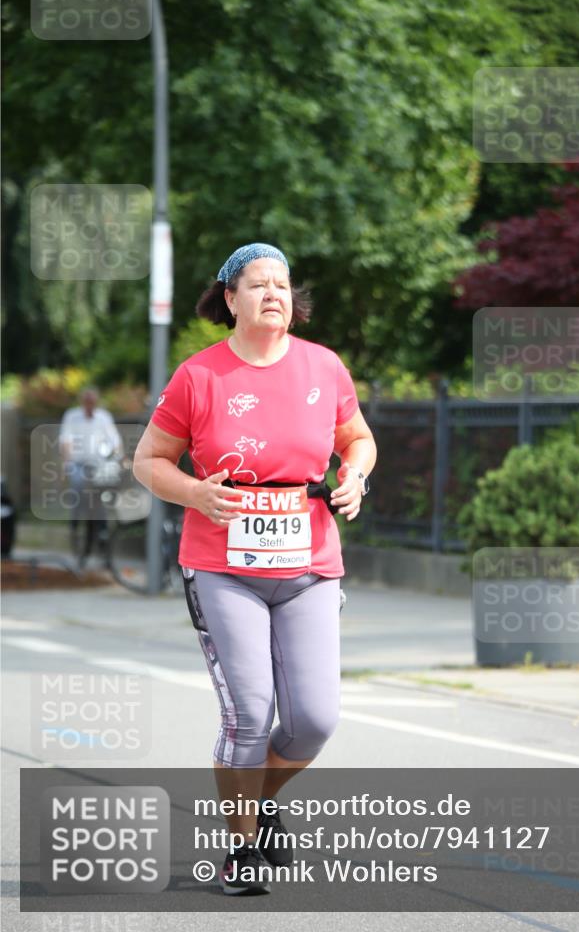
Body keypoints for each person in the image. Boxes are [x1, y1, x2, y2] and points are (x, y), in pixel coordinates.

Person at [133, 242, 376, 895]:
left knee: (314, 721)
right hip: (221, 565)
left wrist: (353, 474)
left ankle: (260, 799)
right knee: (248, 712)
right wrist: (195, 492)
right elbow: (149, 460)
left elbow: (357, 438)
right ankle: (239, 849)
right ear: (230, 299)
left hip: (309, 560)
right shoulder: (198, 376)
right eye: (258, 284)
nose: (274, 293)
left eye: (283, 284)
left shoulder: (323, 367)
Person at [59, 387, 123, 566]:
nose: (90, 406)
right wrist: (67, 464)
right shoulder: (72, 416)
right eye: (87, 402)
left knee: (102, 500)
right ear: (82, 402)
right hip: (78, 465)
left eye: (92, 402)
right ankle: (75, 524)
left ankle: (102, 537)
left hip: (99, 465)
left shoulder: (104, 417)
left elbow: (115, 442)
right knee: (79, 489)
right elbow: (66, 441)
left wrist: (118, 459)